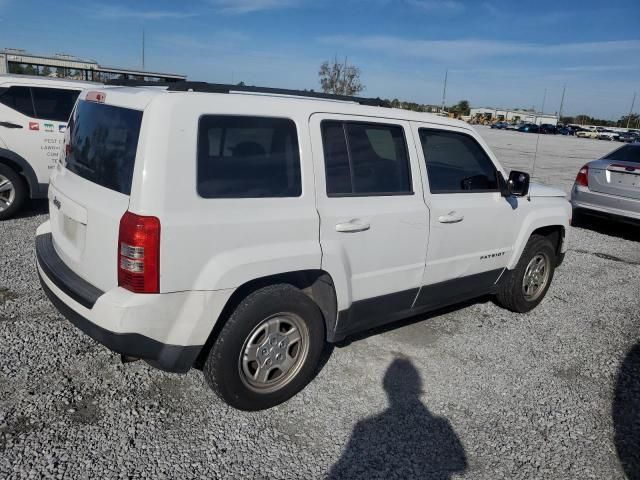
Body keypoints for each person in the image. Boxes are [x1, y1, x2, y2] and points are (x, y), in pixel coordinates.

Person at [327, 357, 468, 480]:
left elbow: (343, 465)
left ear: (385, 386)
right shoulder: (440, 424)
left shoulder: (363, 427)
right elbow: (460, 465)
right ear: (418, 387)